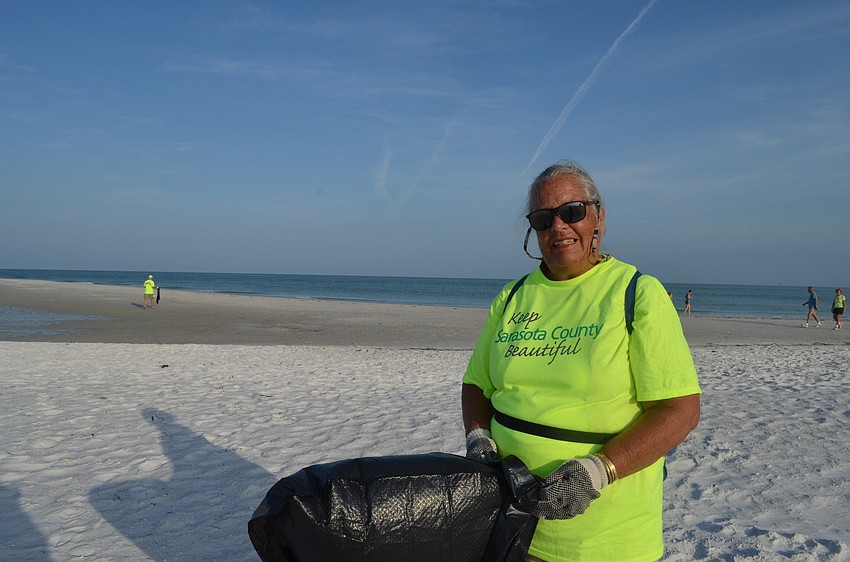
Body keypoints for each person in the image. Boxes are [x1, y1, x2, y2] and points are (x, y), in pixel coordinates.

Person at [462, 161, 701, 562]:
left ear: (599, 217)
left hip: (605, 540)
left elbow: (680, 411)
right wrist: (478, 437)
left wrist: (598, 470)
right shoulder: (512, 297)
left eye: (571, 211)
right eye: (542, 218)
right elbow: (476, 385)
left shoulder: (637, 293)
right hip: (511, 526)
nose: (558, 226)